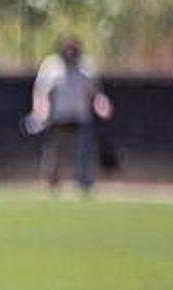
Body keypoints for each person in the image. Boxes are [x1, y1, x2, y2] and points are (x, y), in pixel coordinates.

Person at [29, 36, 112, 192]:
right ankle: (52, 182)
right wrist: (39, 111)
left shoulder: (86, 67)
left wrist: (102, 104)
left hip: (80, 117)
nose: (70, 53)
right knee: (54, 153)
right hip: (58, 118)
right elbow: (40, 92)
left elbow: (96, 92)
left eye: (73, 50)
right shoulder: (51, 66)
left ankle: (85, 184)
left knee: (84, 151)